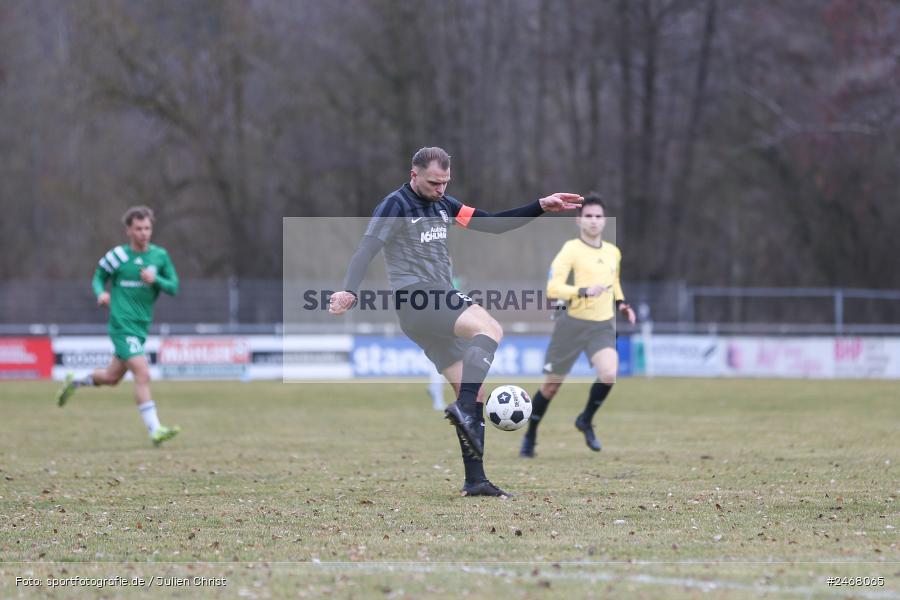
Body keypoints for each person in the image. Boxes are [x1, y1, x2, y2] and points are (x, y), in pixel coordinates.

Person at [329, 146, 582, 497]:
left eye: (446, 182)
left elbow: (493, 225)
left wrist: (540, 205)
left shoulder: (444, 205)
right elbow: (366, 249)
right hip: (419, 298)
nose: (441, 189)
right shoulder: (395, 205)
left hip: (426, 312)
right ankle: (463, 410)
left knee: (474, 390)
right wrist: (348, 291)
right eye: (434, 182)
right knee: (490, 328)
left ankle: (475, 480)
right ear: (413, 175)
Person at [519, 193, 636, 458]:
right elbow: (553, 288)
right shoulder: (570, 250)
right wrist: (583, 291)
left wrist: (622, 303)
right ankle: (530, 436)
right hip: (571, 325)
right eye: (588, 217)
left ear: (604, 221)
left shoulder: (612, 252)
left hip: (602, 325)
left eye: (598, 217)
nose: (593, 221)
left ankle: (585, 420)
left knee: (609, 374)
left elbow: (613, 282)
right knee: (551, 387)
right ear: (579, 220)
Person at [56, 206, 181, 446]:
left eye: (147, 228)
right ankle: (155, 429)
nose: (144, 233)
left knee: (112, 377)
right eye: (138, 228)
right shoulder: (118, 256)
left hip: (141, 326)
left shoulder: (160, 256)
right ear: (128, 231)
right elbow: (98, 276)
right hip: (121, 324)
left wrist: (157, 280)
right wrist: (100, 293)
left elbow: (174, 287)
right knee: (142, 372)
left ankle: (75, 380)